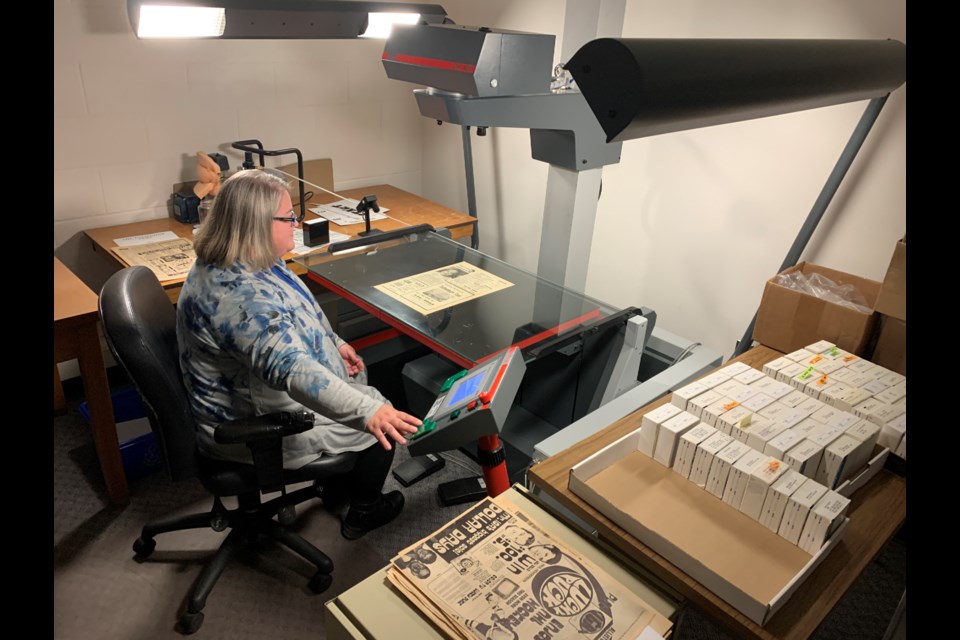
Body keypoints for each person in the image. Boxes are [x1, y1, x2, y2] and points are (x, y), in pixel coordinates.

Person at [176, 169, 422, 540]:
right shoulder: (238, 296)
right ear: (256, 223)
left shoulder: (249, 256)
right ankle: (364, 511)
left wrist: (335, 341)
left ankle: (338, 485)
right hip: (252, 425)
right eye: (289, 217)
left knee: (362, 398)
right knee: (378, 418)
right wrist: (369, 411)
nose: (297, 223)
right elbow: (292, 371)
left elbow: (300, 306)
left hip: (258, 391)